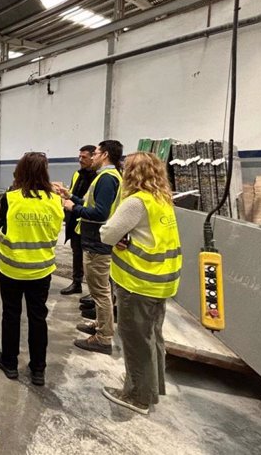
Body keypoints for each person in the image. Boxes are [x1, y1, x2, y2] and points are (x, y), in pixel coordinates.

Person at [98, 152, 182, 415]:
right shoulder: (162, 200)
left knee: (135, 340)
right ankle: (152, 388)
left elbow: (107, 234)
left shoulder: (135, 203)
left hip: (138, 284)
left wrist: (119, 236)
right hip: (162, 282)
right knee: (153, 337)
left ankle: (137, 396)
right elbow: (149, 237)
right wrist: (129, 238)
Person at [0, 152, 64, 386]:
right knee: (38, 317)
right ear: (45, 172)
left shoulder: (11, 197)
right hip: (41, 270)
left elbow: (3, 226)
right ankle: (38, 370)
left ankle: (10, 363)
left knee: (11, 315)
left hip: (12, 268)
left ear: (20, 170)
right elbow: (54, 231)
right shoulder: (55, 200)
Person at [61, 140, 123, 355]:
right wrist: (70, 196)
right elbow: (91, 205)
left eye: (95, 153)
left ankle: (104, 338)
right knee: (99, 291)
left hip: (98, 242)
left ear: (104, 154)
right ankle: (99, 324)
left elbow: (100, 213)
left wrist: (73, 208)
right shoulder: (107, 177)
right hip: (96, 241)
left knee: (100, 291)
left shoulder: (107, 178)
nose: (93, 157)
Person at [59, 145, 97, 295]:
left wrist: (75, 204)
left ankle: (93, 290)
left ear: (93, 157)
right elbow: (73, 193)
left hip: (89, 220)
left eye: (84, 157)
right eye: (79, 157)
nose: (80, 160)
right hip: (75, 218)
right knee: (76, 252)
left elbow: (92, 202)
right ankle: (76, 282)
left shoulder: (98, 177)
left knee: (91, 258)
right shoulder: (77, 174)